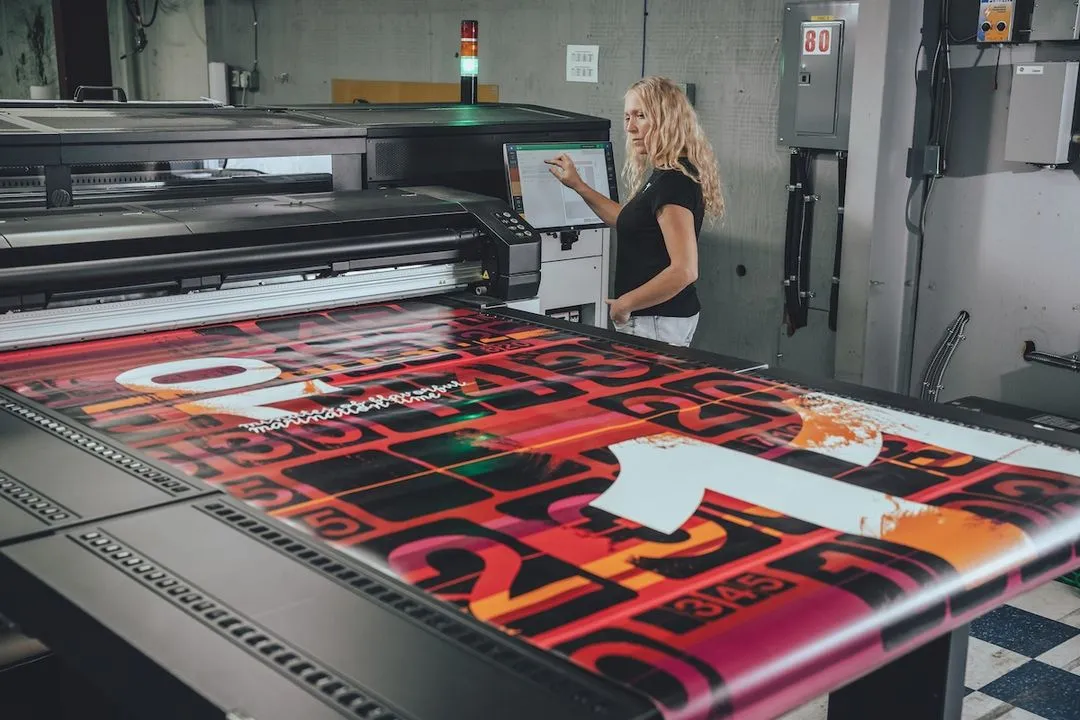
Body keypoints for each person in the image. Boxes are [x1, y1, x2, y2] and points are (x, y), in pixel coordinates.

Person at [546, 76, 724, 347]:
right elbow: (626, 221)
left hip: (656, 320)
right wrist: (578, 185)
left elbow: (684, 271)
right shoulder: (664, 174)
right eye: (627, 117)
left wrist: (624, 305)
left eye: (641, 116)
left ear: (667, 119)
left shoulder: (674, 182)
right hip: (655, 318)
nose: (631, 127)